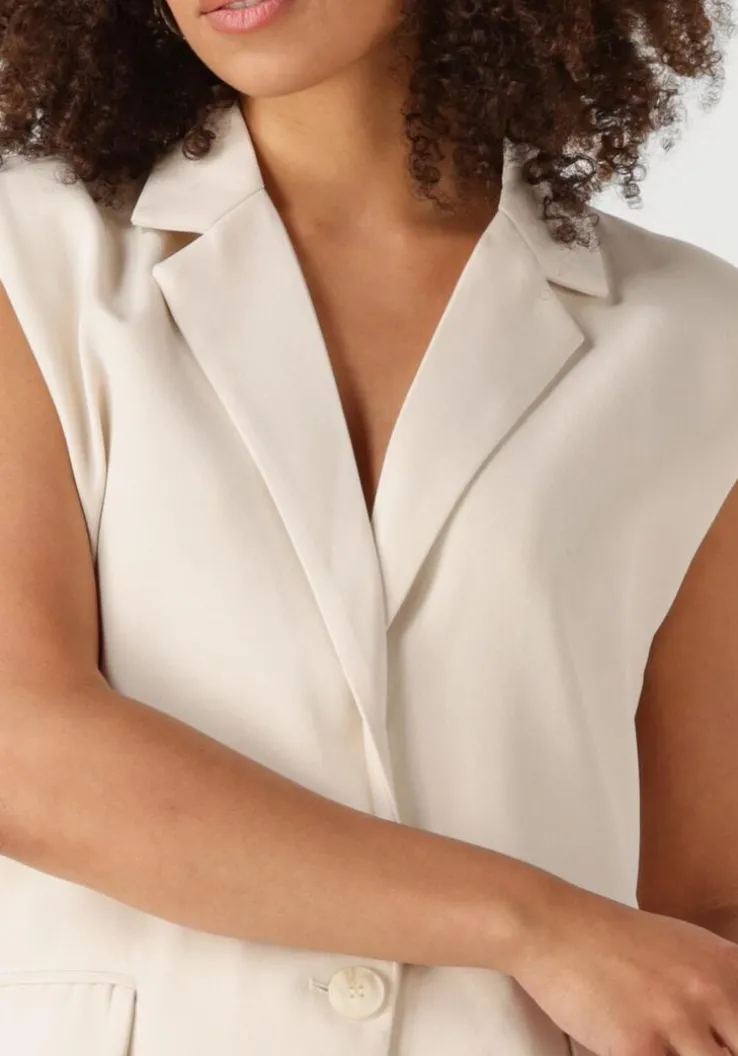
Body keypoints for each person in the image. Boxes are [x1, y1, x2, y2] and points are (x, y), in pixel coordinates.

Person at [1, 0, 738, 1053]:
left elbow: (698, 904)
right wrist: (531, 925)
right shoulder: (30, 260)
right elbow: (24, 750)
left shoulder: (698, 343)